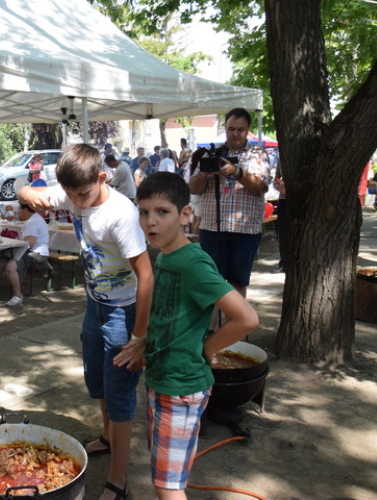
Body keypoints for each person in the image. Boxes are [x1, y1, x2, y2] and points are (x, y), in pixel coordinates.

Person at [18, 143, 153, 500]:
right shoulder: (72, 192)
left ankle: (118, 481)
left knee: (120, 392)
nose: (76, 202)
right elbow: (25, 190)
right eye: (70, 195)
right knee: (97, 379)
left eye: (83, 194)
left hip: (124, 314)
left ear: (102, 177)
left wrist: (140, 335)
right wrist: (30, 192)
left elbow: (146, 277)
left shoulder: (121, 215)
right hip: (96, 306)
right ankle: (108, 437)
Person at [115, 172, 258, 499]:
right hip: (162, 381)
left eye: (162, 212)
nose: (151, 221)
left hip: (181, 386)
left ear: (185, 215)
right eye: (144, 211)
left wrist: (207, 347)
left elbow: (247, 317)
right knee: (167, 477)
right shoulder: (166, 255)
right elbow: (170, 314)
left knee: (168, 488)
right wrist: (146, 341)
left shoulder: (193, 264)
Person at [188, 108, 270, 301]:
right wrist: (205, 173)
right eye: (231, 128)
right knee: (210, 282)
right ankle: (211, 330)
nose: (235, 133)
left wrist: (236, 172)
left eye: (240, 129)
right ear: (225, 127)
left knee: (237, 282)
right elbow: (193, 188)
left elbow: (261, 187)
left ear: (248, 130)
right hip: (212, 228)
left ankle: (235, 328)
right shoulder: (210, 153)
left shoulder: (258, 154)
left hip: (244, 230)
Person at [0, 202, 50, 306]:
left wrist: (17, 242)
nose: (18, 213)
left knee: (11, 265)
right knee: (2, 259)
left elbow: (31, 243)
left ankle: (18, 295)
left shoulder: (33, 221)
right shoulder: (32, 219)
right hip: (31, 250)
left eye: (19, 210)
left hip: (37, 252)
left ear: (25, 210)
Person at [271, 158, 288, 273]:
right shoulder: (282, 158)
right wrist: (279, 185)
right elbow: (277, 178)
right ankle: (284, 263)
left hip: (302, 200)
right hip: (284, 200)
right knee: (283, 233)